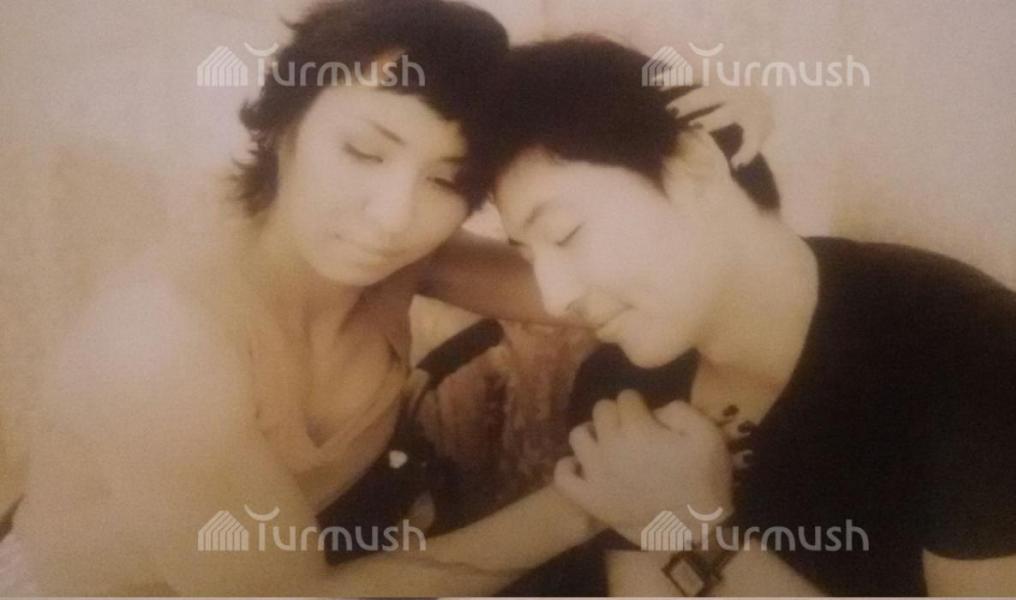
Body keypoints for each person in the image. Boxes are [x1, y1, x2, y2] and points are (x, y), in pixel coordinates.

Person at [8, 1, 773, 596]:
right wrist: (592, 500)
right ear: (286, 124)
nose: (392, 217)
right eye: (364, 151)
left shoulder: (390, 259)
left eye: (446, 180)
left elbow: (606, 287)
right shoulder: (160, 346)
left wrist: (708, 152)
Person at [471, 36, 1016, 596]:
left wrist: (701, 535)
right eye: (528, 256)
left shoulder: (977, 359)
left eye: (565, 233)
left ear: (693, 163)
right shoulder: (622, 382)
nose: (554, 298)